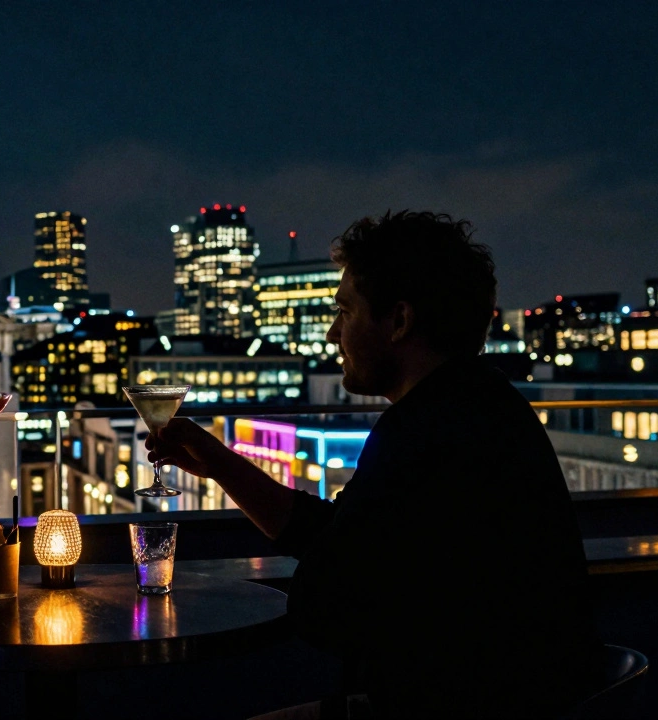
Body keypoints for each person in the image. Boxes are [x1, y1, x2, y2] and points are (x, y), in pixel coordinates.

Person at [149, 211, 599, 719]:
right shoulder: (477, 406)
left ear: (399, 321)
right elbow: (338, 539)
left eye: (346, 311)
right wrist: (221, 464)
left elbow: (328, 605)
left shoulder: (427, 435)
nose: (332, 332)